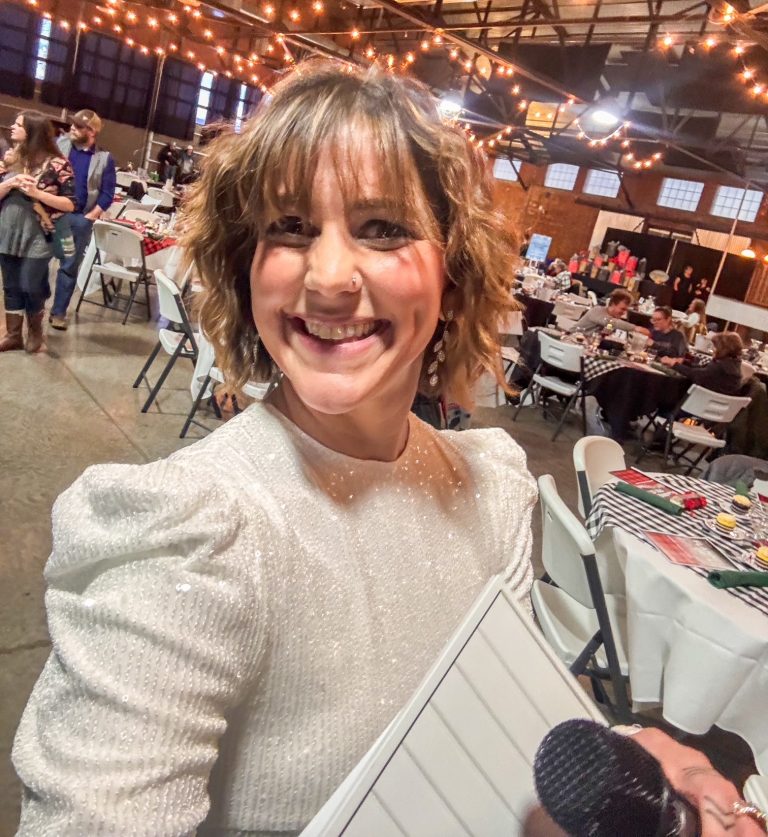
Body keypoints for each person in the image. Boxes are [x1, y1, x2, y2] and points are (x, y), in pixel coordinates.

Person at [12, 62, 757, 836]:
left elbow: (488, 717)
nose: (330, 277)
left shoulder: (491, 487)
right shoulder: (189, 532)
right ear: (246, 267)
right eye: (290, 227)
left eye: (382, 228)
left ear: (453, 276)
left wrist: (628, 759)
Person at [0, 111, 76, 353]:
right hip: (7, 231)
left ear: (32, 131)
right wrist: (9, 183)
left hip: (39, 235)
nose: (12, 127)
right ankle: (13, 335)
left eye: (18, 124)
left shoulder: (58, 164)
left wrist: (37, 194)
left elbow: (70, 204)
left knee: (31, 283)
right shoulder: (10, 159)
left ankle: (35, 332)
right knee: (11, 284)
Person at [49, 109, 116, 331]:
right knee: (38, 260)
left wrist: (91, 216)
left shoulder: (104, 159)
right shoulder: (59, 146)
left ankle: (58, 312)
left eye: (78, 126)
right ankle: (34, 308)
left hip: (78, 219)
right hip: (50, 213)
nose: (72, 128)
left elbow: (107, 192)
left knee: (69, 266)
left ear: (92, 131)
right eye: (73, 124)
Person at [661, 331, 745, 394]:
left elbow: (696, 375)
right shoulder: (733, 363)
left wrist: (674, 364)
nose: (713, 349)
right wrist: (684, 362)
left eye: (715, 347)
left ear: (723, 349)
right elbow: (703, 370)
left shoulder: (720, 366)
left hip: (701, 402)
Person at [569, 287, 650, 336]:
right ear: (613, 304)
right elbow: (610, 322)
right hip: (571, 340)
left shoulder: (611, 318)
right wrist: (636, 328)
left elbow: (606, 331)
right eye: (622, 309)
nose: (624, 313)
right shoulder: (597, 310)